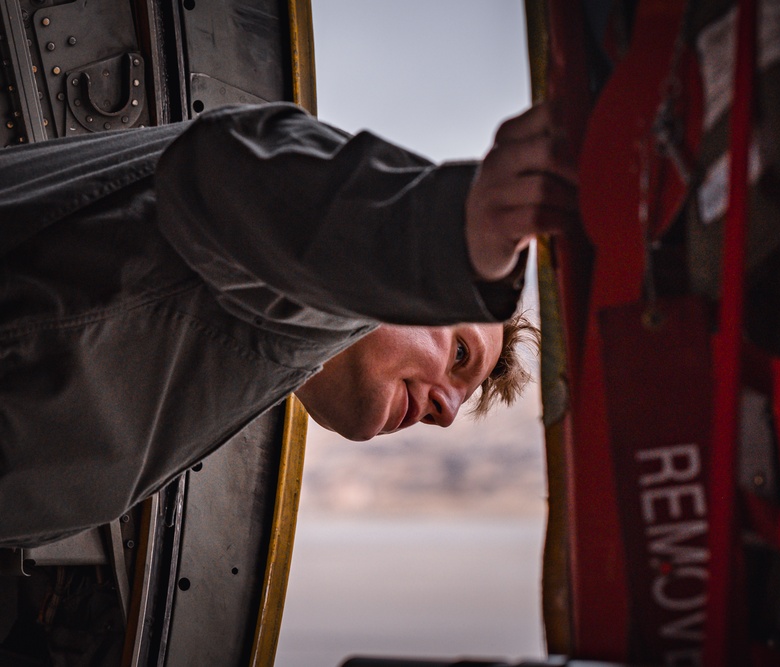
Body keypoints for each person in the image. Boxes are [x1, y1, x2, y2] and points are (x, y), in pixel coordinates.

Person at [0, 101, 576, 547]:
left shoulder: (256, 354)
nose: (444, 415)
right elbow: (232, 173)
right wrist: (461, 233)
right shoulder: (295, 270)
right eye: (458, 355)